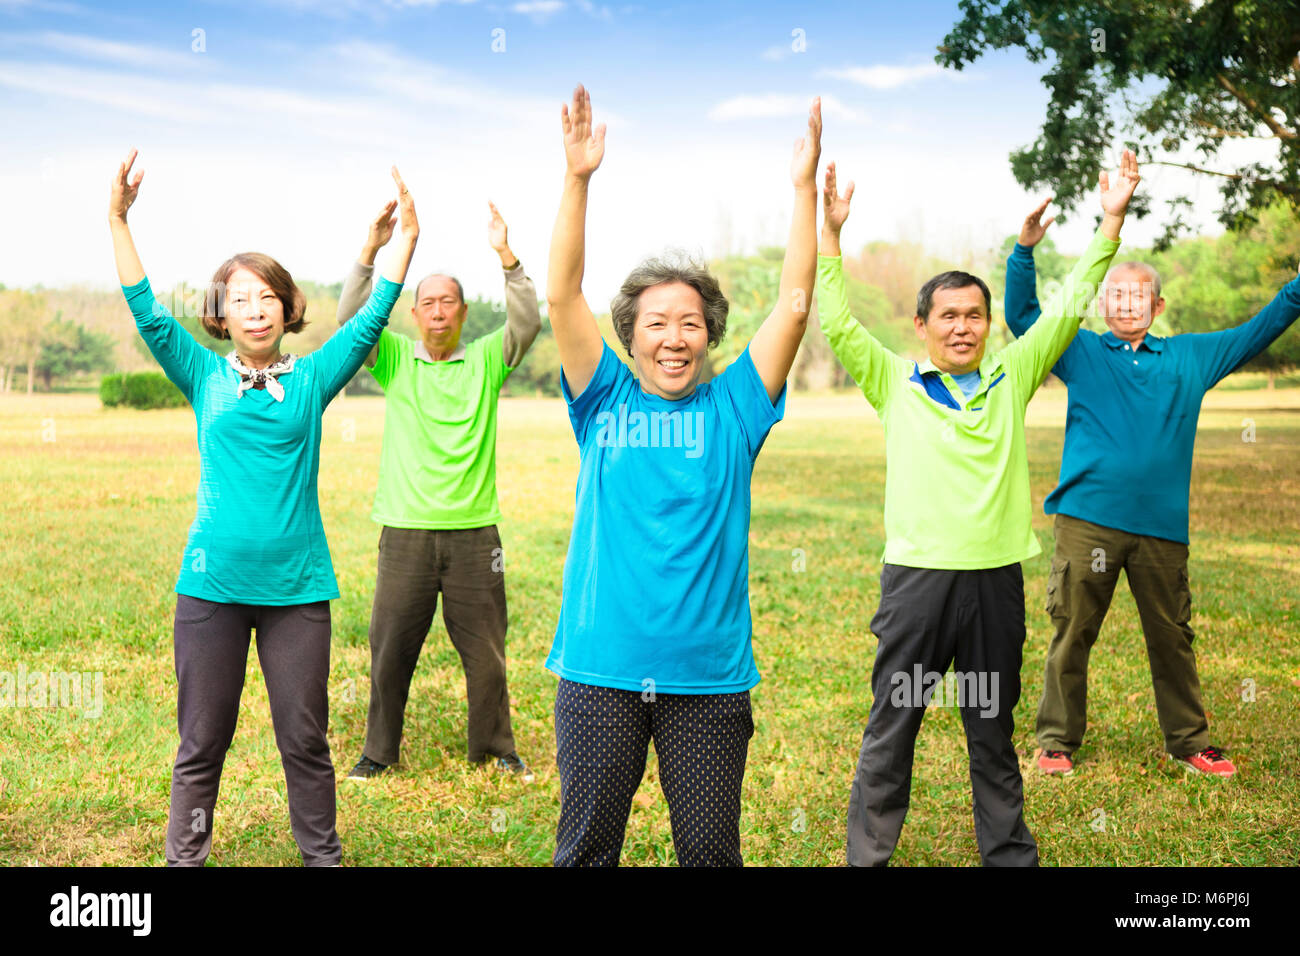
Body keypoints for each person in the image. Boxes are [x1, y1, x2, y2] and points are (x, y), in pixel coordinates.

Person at [818, 152, 1139, 866]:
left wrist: (1109, 219)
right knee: (894, 721)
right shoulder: (893, 379)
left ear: (991, 325)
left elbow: (1070, 303)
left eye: (974, 316)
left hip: (994, 584)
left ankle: (1009, 853)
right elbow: (835, 321)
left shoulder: (1012, 372)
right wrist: (831, 234)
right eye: (948, 316)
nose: (962, 327)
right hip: (917, 587)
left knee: (991, 728)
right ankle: (868, 856)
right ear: (922, 323)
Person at [109, 151, 418, 866]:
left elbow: (372, 319)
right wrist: (119, 218)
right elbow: (146, 310)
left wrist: (401, 239)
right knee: (200, 746)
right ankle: (184, 861)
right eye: (239, 298)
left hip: (297, 591)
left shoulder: (311, 379)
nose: (253, 308)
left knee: (305, 743)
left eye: (266, 296)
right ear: (221, 313)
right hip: (210, 588)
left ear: (286, 308)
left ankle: (323, 859)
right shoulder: (201, 374)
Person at [543, 85, 820, 866]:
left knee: (709, 853)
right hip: (601, 669)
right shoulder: (602, 397)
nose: (673, 338)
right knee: (587, 849)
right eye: (655, 324)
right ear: (628, 336)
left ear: (710, 337)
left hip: (707, 676)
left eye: (690, 323)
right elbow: (562, 292)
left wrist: (802, 193)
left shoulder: (734, 407)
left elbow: (794, 308)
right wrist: (577, 179)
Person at [1006, 199, 1300, 779]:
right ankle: (1056, 742)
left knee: (1172, 637)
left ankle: (1190, 742)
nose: (1127, 303)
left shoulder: (1190, 356)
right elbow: (1022, 317)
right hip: (1087, 519)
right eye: (1115, 294)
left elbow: (1266, 323)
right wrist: (1024, 251)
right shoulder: (1080, 349)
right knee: (1072, 633)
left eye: (1138, 295)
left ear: (1157, 304)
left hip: (1161, 527)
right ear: (1101, 303)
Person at [336, 200, 541, 781]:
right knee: (390, 651)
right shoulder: (394, 358)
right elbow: (353, 324)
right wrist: (371, 251)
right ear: (412, 313)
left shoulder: (486, 361)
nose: (437, 311)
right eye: (426, 302)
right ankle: (378, 752)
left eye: (447, 301)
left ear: (464, 311)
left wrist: (507, 256)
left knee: (488, 655)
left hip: (477, 534)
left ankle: (495, 748)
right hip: (405, 532)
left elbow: (527, 321)